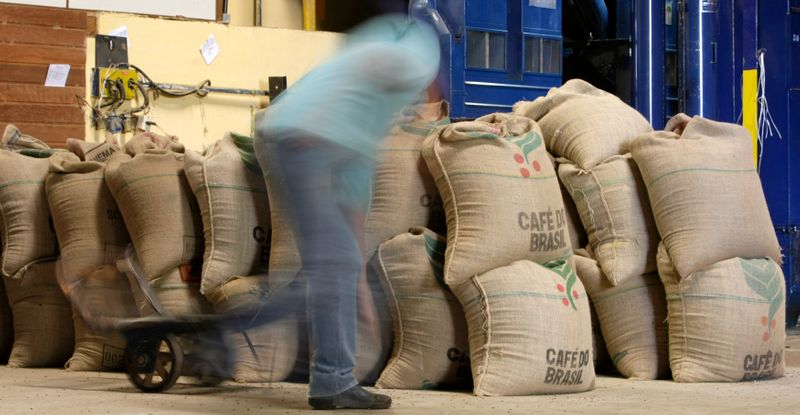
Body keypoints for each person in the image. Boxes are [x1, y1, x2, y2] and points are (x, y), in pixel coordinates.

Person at [253, 13, 440, 410]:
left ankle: (330, 376)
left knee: (336, 261)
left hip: (293, 135)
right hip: (301, 138)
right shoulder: (414, 59)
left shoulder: (366, 124)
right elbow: (372, 61)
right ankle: (332, 382)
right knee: (331, 263)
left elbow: (354, 211)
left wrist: (359, 286)